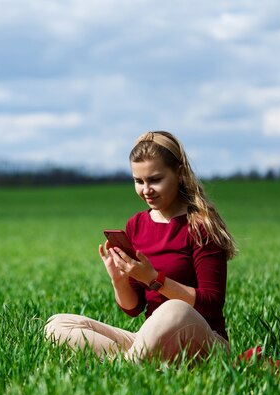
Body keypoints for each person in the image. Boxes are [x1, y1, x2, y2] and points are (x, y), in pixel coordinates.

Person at [44, 131, 237, 363]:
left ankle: (124, 367)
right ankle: (134, 361)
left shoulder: (200, 226)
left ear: (179, 174)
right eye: (139, 181)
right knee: (57, 325)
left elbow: (212, 304)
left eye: (155, 180)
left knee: (175, 309)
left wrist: (155, 279)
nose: (146, 190)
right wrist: (119, 279)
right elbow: (133, 308)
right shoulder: (136, 225)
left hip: (205, 340)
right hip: (149, 337)